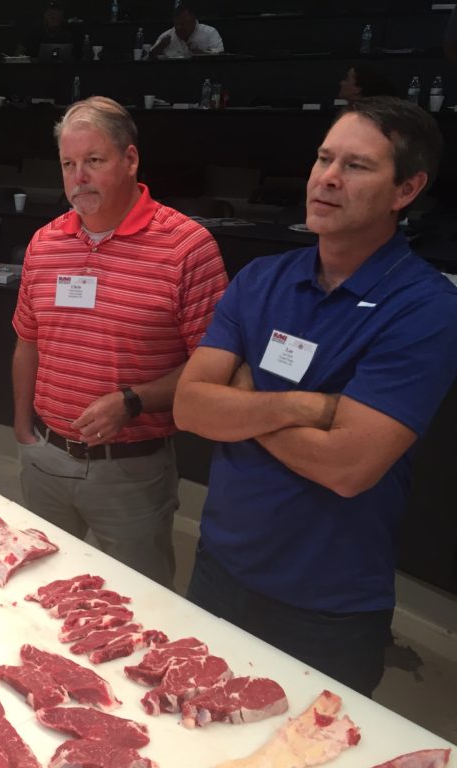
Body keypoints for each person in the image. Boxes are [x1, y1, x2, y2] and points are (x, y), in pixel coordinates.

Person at [174, 96, 457, 696]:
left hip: (327, 605)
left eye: (356, 166)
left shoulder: (427, 308)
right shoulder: (262, 279)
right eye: (324, 158)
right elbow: (191, 406)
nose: (327, 177)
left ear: (406, 190)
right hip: (219, 568)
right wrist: (309, 406)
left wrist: (246, 400)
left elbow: (348, 466)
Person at [12, 96, 228, 587]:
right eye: (68, 164)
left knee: (135, 609)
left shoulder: (187, 248)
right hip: (45, 456)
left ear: (130, 160)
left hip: (131, 470)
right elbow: (28, 342)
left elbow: (213, 369)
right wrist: (23, 432)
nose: (78, 177)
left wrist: (134, 401)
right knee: (40, 593)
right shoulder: (45, 243)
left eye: (94, 161)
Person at [148, 2, 224, 59]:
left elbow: (221, 55)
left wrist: (200, 53)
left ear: (193, 20)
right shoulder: (167, 36)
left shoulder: (210, 32)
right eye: (177, 24)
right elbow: (149, 57)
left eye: (183, 24)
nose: (179, 28)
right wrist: (160, 46)